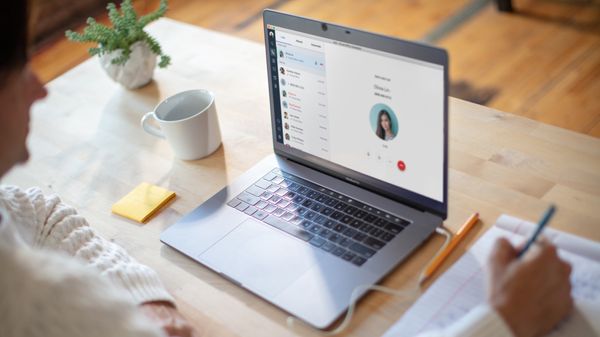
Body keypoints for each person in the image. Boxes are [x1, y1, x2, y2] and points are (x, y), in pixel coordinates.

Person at [0, 2, 196, 337]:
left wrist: (142, 296)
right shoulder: (40, 305)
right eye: (21, 70)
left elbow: (42, 215)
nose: (40, 89)